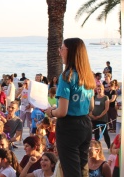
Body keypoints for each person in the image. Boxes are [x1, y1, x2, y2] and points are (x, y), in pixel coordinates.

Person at [45, 38, 96, 177]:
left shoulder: (67, 76)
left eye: (62, 48)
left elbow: (62, 111)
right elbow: (91, 106)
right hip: (85, 124)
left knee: (71, 171)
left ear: (70, 52)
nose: (59, 51)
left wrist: (50, 112)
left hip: (69, 127)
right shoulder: (88, 76)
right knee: (82, 168)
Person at [89, 84, 110, 149]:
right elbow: (91, 107)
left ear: (103, 89)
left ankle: (109, 147)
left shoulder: (105, 97)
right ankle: (97, 148)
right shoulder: (94, 97)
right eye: (98, 89)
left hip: (102, 119)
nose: (99, 90)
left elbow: (106, 109)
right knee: (96, 133)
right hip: (94, 118)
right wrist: (92, 115)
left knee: (105, 133)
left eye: (100, 89)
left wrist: (99, 116)